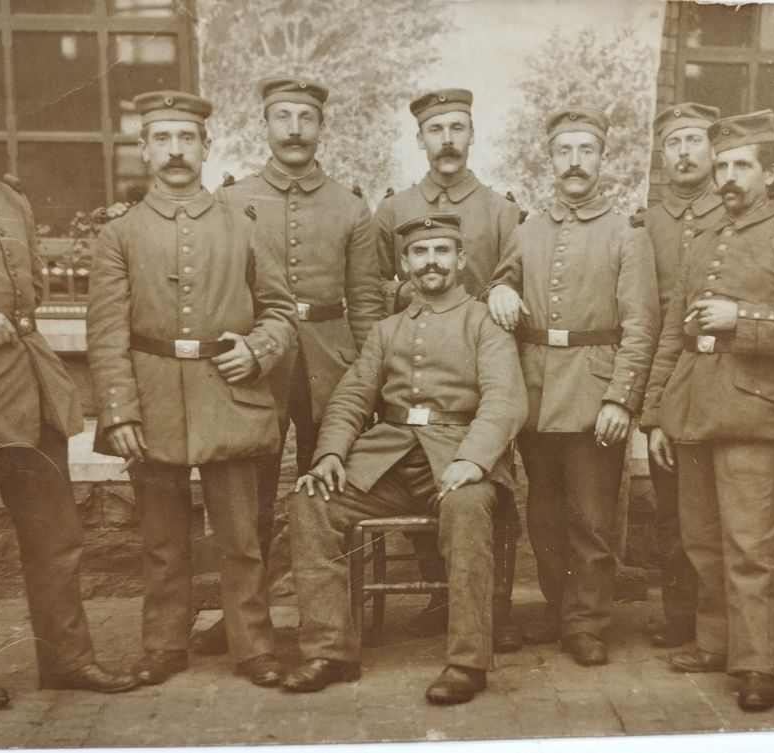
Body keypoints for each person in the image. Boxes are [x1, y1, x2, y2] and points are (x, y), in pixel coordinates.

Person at [0, 60, 137, 710]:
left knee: (57, 541)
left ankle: (68, 660)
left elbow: (34, 291)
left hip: (33, 397)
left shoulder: (10, 199)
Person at [86, 90, 297, 688]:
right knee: (161, 539)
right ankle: (164, 644)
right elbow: (106, 333)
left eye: (187, 138)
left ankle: (253, 646)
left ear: (206, 146)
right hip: (152, 401)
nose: (176, 150)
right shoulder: (119, 235)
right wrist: (120, 412)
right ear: (144, 149)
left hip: (229, 396)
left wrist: (257, 350)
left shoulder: (242, 227)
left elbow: (281, 313)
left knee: (241, 537)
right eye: (163, 139)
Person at [284, 214, 527, 705]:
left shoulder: (485, 322)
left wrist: (474, 460)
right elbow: (351, 396)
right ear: (405, 263)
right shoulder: (387, 329)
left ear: (461, 260)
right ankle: (330, 651)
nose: (431, 262)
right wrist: (329, 454)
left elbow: (504, 399)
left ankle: (467, 662)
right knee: (311, 502)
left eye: (442, 251)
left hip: (459, 456)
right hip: (390, 461)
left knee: (465, 507)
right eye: (420, 252)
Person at [643, 110, 774, 711]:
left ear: (769, 173)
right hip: (694, 408)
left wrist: (739, 318)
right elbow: (673, 332)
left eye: (741, 165)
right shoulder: (703, 240)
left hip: (754, 413)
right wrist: (657, 414)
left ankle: (755, 665)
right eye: (722, 165)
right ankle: (716, 642)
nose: (728, 176)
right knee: (702, 541)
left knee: (749, 547)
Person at [190, 76, 382, 655]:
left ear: (321, 127)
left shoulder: (351, 207)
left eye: (306, 117)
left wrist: (371, 377)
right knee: (248, 498)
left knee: (329, 491)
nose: (294, 129)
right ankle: (244, 619)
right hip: (256, 363)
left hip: (332, 363)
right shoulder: (231, 200)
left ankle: (331, 618)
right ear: (265, 125)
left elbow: (365, 302)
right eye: (283, 117)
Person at [487, 106, 659, 666]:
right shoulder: (527, 230)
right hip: (536, 391)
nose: (575, 162)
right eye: (565, 151)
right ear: (551, 159)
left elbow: (641, 326)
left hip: (593, 393)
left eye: (587, 150)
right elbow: (503, 279)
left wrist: (621, 398)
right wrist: (500, 289)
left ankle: (586, 622)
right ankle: (559, 607)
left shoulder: (627, 236)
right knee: (544, 514)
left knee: (590, 517)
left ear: (602, 158)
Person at [374, 87, 525, 651]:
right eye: (436, 129)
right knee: (416, 467)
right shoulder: (393, 209)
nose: (447, 140)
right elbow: (375, 285)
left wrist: (504, 288)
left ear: (472, 134)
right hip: (416, 362)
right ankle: (443, 600)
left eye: (457, 127)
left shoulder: (501, 210)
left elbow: (516, 274)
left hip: (481, 366)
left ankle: (491, 613)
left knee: (485, 484)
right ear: (420, 138)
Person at [639, 102, 723, 649]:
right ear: (662, 154)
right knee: (672, 507)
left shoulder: (731, 212)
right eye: (674, 142)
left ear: (713, 150)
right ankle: (681, 616)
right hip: (666, 374)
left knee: (726, 507)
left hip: (723, 373)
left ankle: (733, 622)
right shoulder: (645, 224)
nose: (685, 152)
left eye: (694, 140)